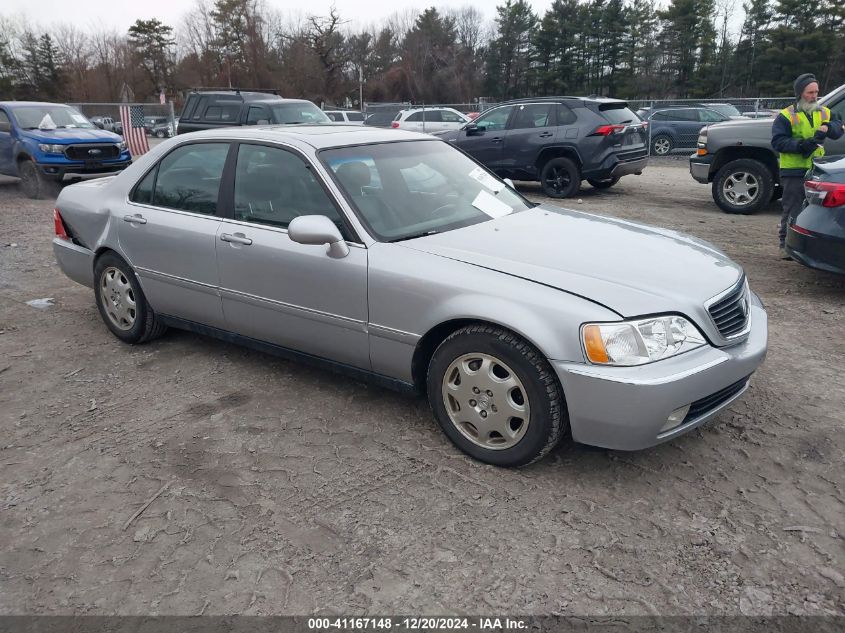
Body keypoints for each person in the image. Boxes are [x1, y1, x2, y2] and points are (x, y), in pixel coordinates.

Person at [771, 73, 843, 259]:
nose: (814, 96)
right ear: (800, 93)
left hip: (816, 171)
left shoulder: (824, 112)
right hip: (794, 170)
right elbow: (778, 142)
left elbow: (838, 127)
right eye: (810, 92)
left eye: (816, 92)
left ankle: (805, 245)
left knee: (812, 209)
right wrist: (802, 145)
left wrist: (828, 127)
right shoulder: (786, 116)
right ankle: (784, 245)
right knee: (792, 207)